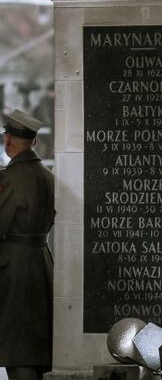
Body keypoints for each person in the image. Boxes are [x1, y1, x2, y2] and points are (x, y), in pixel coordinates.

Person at [0, 109, 55, 380]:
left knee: (18, 348)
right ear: (33, 142)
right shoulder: (46, 175)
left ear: (8, 141)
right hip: (41, 262)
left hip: (15, 268)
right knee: (34, 346)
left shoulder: (10, 178)